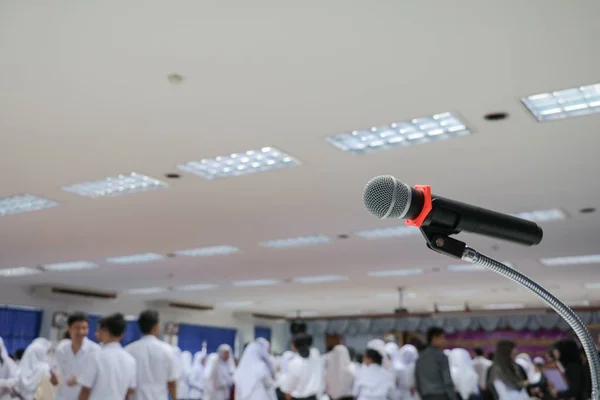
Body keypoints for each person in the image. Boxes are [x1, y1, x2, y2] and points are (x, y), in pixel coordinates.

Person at [77, 313, 136, 400]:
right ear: (122, 334)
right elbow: (131, 389)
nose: (96, 333)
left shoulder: (95, 356)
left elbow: (85, 389)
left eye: (98, 330)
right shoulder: (130, 360)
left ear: (105, 330)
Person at [125, 310, 179, 400]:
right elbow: (172, 382)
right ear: (156, 326)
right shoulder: (168, 350)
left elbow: (126, 384)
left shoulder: (129, 350)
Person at [54, 312, 101, 400]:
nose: (81, 332)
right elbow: (57, 373)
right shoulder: (62, 349)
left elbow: (98, 378)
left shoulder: (95, 350)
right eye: (77, 328)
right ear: (69, 328)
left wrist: (79, 380)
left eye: (84, 328)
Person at [415, 327, 457, 400]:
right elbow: (447, 380)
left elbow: (417, 380)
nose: (444, 341)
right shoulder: (441, 356)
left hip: (426, 395)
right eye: (442, 338)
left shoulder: (420, 357)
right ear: (434, 338)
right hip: (441, 395)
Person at [279, 333, 322, 400]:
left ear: (295, 345)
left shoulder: (295, 362)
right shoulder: (316, 354)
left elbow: (287, 389)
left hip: (299, 398)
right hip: (313, 397)